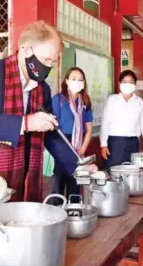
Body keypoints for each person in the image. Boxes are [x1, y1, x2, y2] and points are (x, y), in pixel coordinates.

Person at [0, 20, 97, 265]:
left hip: (16, 189)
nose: (49, 67)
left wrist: (78, 166)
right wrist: (25, 123)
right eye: (47, 60)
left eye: (53, 61)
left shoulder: (42, 90)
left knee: (10, 255)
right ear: (27, 50)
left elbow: (50, 132)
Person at [52, 67, 93, 202]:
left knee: (75, 184)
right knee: (59, 183)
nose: (77, 82)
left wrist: (82, 149)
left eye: (81, 79)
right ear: (67, 81)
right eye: (74, 79)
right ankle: (56, 212)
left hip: (78, 145)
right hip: (61, 143)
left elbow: (89, 130)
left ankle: (74, 215)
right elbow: (53, 128)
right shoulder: (58, 100)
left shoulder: (85, 102)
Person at [100, 70, 143, 168]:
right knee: (114, 173)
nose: (128, 85)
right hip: (115, 144)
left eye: (131, 82)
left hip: (133, 143)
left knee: (131, 173)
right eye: (124, 82)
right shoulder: (112, 100)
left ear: (135, 85)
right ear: (119, 84)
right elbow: (105, 122)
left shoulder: (139, 102)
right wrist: (103, 144)